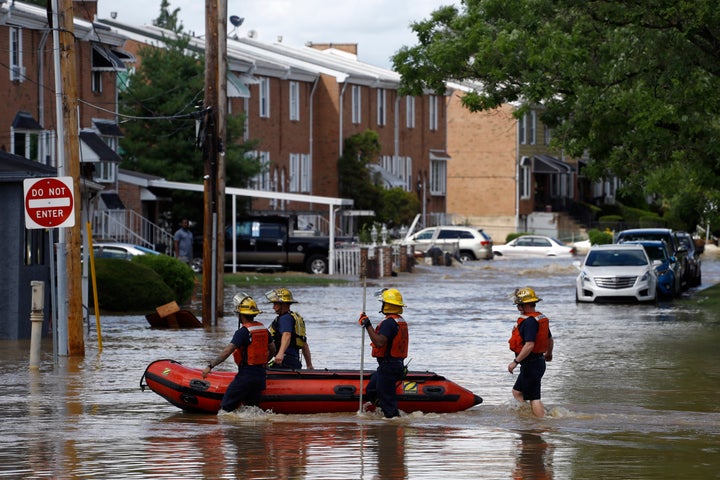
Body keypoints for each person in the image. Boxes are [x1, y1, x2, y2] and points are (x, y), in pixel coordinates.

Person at [202, 294, 275, 412]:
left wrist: (210, 366)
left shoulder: (243, 332)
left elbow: (227, 351)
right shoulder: (263, 330)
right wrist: (265, 361)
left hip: (246, 376)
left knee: (225, 409)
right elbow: (273, 349)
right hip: (260, 376)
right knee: (252, 410)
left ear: (241, 315)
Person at [358, 287, 409, 418]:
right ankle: (385, 413)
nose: (382, 305)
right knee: (371, 390)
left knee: (388, 401)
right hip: (393, 365)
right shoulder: (398, 320)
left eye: (383, 303)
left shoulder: (389, 323)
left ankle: (392, 420)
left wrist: (367, 324)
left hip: (389, 366)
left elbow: (380, 342)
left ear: (388, 305)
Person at [507, 287, 554, 418]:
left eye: (520, 304)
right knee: (517, 392)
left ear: (526, 304)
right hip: (535, 363)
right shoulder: (539, 318)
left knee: (534, 397)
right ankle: (530, 417)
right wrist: (549, 354)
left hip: (532, 364)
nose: (518, 307)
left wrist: (515, 362)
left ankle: (541, 424)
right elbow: (549, 339)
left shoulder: (529, 322)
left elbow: (529, 345)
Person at [265, 288, 314, 370]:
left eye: (275, 304)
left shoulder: (285, 319)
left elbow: (286, 335)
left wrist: (280, 354)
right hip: (294, 362)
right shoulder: (294, 318)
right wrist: (309, 365)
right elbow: (304, 344)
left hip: (284, 362)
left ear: (283, 304)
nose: (273, 307)